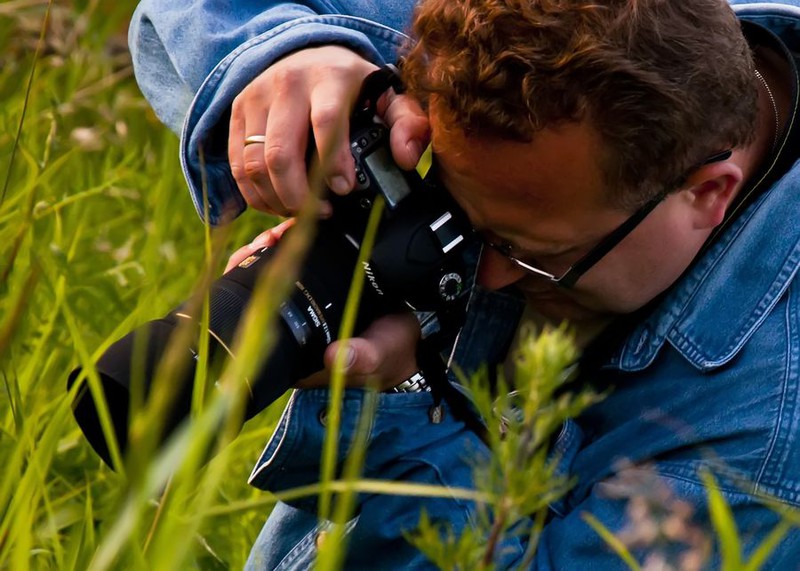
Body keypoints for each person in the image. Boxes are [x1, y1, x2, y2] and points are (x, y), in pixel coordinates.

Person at [128, 0, 800, 567]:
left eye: (529, 250)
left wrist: (405, 407)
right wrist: (284, 59)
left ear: (707, 193)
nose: (483, 272)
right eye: (450, 210)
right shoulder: (524, 40)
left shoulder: (771, 434)